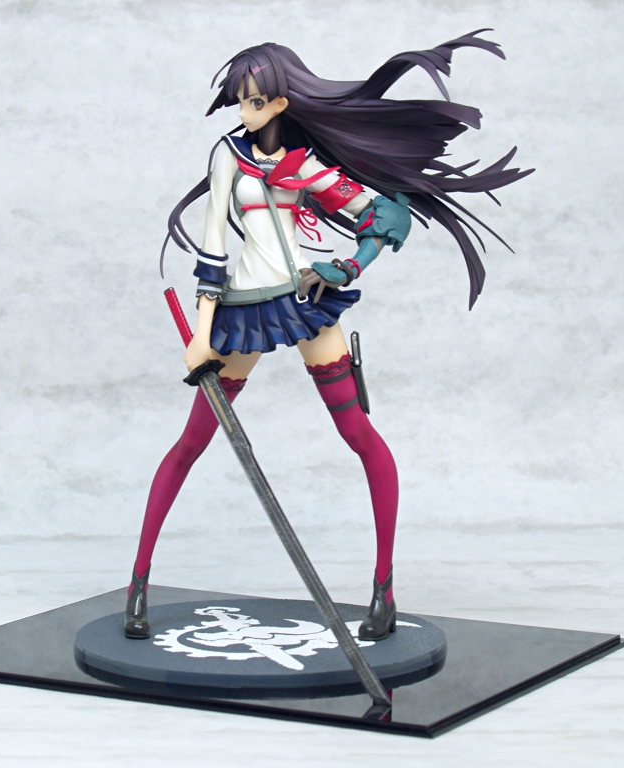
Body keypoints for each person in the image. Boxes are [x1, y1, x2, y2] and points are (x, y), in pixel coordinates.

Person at [125, 31, 532, 642]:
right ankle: (137, 584)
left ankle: (384, 588)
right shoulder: (227, 155)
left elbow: (382, 215)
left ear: (281, 101)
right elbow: (213, 250)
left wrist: (347, 266)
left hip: (304, 305)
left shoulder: (303, 164)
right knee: (191, 443)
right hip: (243, 312)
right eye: (240, 100)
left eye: (255, 99)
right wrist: (201, 336)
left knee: (358, 434)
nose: (245, 110)